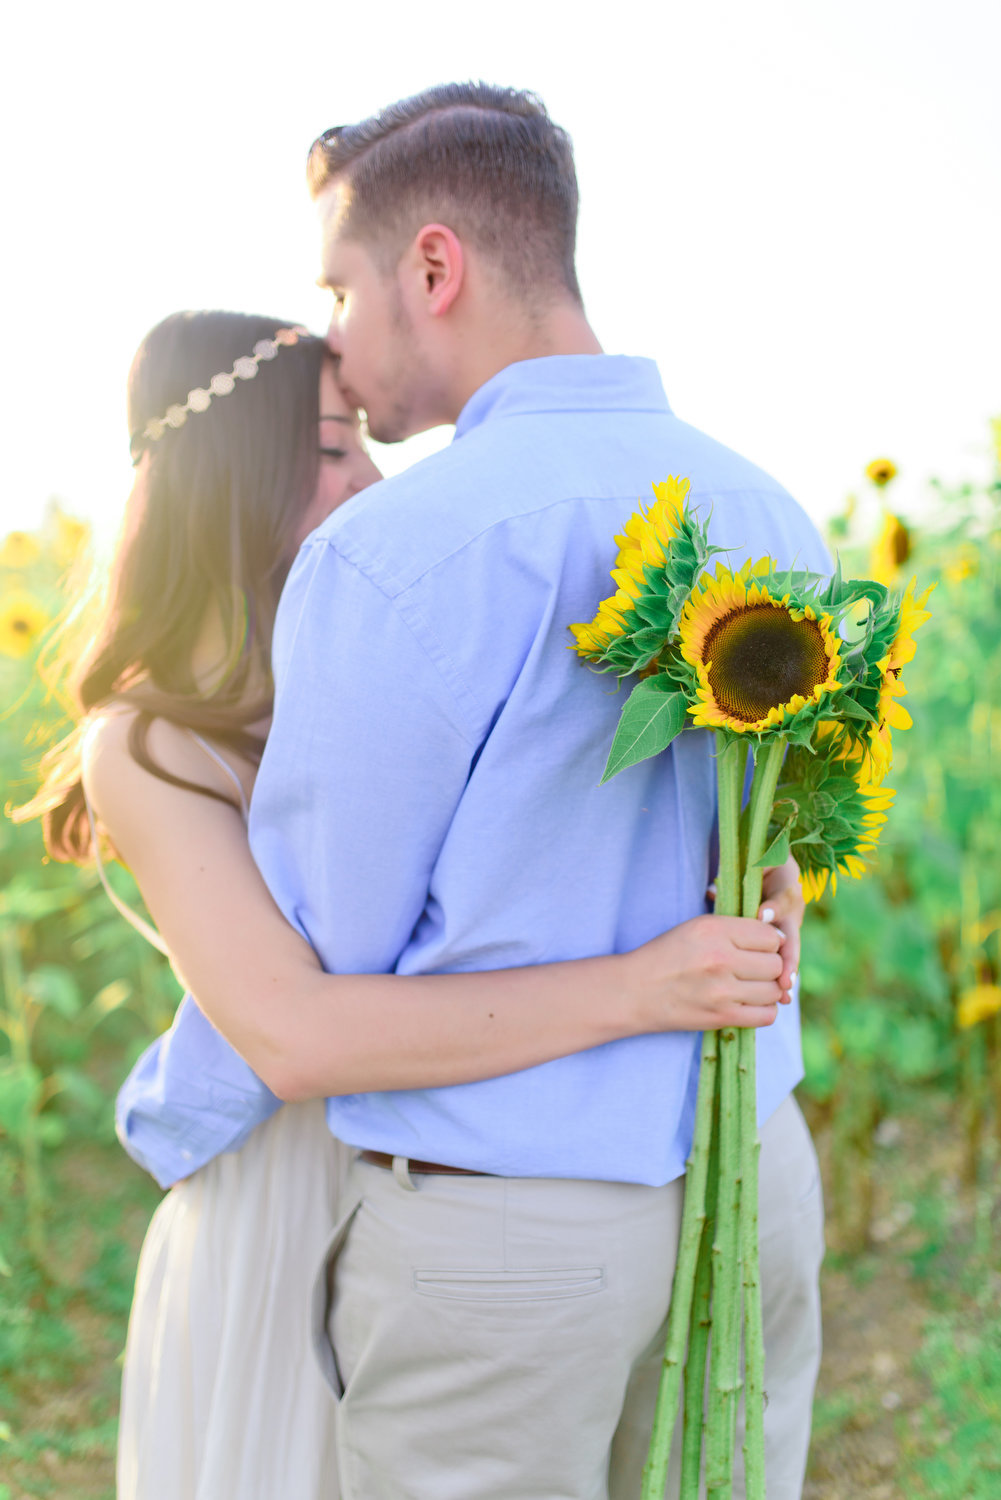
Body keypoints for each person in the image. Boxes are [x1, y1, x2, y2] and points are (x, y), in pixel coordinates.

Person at [115, 85, 824, 1498]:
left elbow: (334, 962)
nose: (335, 337)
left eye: (340, 288)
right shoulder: (764, 507)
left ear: (431, 269)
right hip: (752, 1173)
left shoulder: (397, 554)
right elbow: (773, 847)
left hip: (509, 1239)